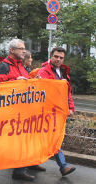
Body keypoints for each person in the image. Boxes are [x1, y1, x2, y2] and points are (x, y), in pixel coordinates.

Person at [0, 39, 38, 181]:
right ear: (12, 50)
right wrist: (14, 83)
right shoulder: (3, 67)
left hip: (22, 112)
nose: (24, 51)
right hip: (9, 113)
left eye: (24, 48)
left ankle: (19, 170)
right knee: (3, 142)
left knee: (22, 142)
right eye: (21, 48)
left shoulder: (22, 67)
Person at [37, 47, 76, 176]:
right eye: (56, 56)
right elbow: (43, 90)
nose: (58, 59)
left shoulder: (64, 72)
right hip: (47, 112)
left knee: (46, 139)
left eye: (61, 58)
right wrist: (58, 84)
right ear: (51, 56)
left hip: (58, 112)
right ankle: (63, 166)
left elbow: (67, 93)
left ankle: (27, 164)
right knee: (53, 139)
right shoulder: (44, 71)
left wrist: (70, 108)